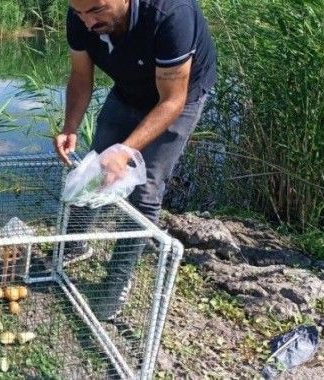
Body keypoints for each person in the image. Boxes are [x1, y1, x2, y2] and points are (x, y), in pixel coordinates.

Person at [54, 0, 217, 320]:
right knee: (95, 166)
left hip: (178, 97)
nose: (88, 22)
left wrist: (125, 152)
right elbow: (80, 76)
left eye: (97, 11)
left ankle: (116, 284)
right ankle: (74, 246)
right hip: (128, 89)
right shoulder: (80, 14)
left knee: (145, 188)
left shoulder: (171, 14)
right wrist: (69, 126)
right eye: (80, 13)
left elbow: (172, 101)